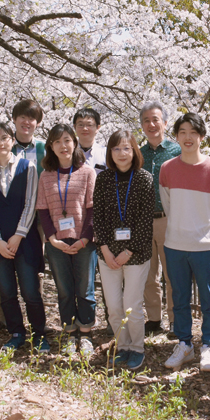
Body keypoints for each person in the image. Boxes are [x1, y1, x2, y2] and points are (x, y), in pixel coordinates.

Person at [160, 112, 210, 372]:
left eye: (193, 132)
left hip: (205, 247)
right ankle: (185, 344)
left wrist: (207, 231)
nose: (188, 137)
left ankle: (209, 345)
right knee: (179, 298)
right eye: (182, 132)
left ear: (201, 136)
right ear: (176, 136)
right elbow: (168, 205)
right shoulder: (167, 169)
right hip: (175, 244)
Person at [0, 122, 48, 353]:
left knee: (30, 291)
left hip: (24, 240)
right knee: (6, 291)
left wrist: (18, 235)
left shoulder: (28, 168)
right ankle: (16, 333)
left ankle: (39, 334)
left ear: (12, 141)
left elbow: (31, 204)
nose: (0, 143)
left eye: (4, 137)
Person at [93, 130, 155, 370]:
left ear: (134, 151)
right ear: (110, 152)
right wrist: (106, 250)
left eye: (126, 148)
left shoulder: (144, 178)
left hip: (136, 253)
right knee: (114, 305)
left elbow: (144, 220)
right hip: (107, 254)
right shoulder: (103, 179)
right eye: (116, 148)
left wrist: (127, 251)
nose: (121, 153)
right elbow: (97, 217)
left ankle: (137, 348)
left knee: (132, 304)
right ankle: (123, 345)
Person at [36, 124, 98, 358]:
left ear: (74, 143)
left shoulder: (87, 172)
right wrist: (52, 239)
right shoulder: (46, 175)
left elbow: (92, 209)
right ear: (51, 147)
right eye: (57, 141)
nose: (64, 146)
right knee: (64, 290)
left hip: (84, 242)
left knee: (85, 289)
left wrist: (84, 239)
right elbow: (43, 210)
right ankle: (70, 333)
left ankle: (86, 332)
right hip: (57, 244)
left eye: (67, 140)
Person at [0, 100, 46, 330]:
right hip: (5, 219)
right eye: (22, 117)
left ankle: (36, 319)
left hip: (38, 218)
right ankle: (4, 319)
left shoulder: (43, 148)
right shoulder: (3, 146)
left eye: (31, 118)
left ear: (38, 123)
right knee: (3, 265)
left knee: (33, 266)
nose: (26, 122)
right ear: (14, 119)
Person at [138, 101, 181, 336]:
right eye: (146, 121)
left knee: (172, 273)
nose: (151, 125)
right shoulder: (138, 153)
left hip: (169, 219)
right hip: (143, 221)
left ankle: (176, 319)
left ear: (165, 122)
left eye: (156, 120)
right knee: (147, 273)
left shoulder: (176, 151)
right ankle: (154, 319)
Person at [73, 107, 111, 333]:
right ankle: (86, 323)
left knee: (110, 274)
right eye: (80, 124)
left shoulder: (106, 154)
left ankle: (112, 321)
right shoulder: (67, 153)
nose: (85, 128)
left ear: (98, 127)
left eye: (89, 124)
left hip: (105, 221)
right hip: (78, 223)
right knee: (83, 278)